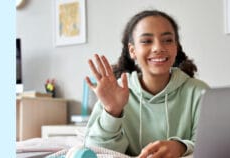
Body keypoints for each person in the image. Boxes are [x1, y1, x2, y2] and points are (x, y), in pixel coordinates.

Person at [84, 10, 208, 158]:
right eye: (147, 41)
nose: (158, 48)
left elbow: (214, 146)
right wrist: (112, 112)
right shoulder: (116, 92)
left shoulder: (200, 92)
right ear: (132, 51)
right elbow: (95, 152)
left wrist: (181, 147)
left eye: (167, 40)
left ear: (176, 47)